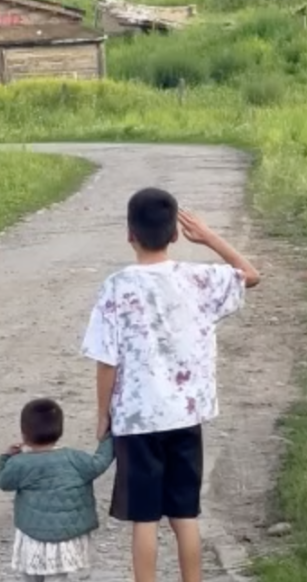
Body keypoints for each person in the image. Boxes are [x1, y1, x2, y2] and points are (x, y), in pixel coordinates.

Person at [80, 188, 261, 582]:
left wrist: (102, 412)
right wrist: (210, 237)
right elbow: (251, 275)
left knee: (143, 518)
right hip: (185, 414)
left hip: (138, 419)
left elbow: (106, 359)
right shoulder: (198, 278)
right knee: (185, 513)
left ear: (130, 233)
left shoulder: (116, 286)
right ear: (176, 234)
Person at [0, 398, 114, 582]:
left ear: (24, 434)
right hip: (69, 538)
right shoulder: (75, 458)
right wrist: (110, 437)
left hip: (33, 538)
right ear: (60, 431)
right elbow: (100, 462)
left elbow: (3, 481)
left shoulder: (20, 463)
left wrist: (5, 456)